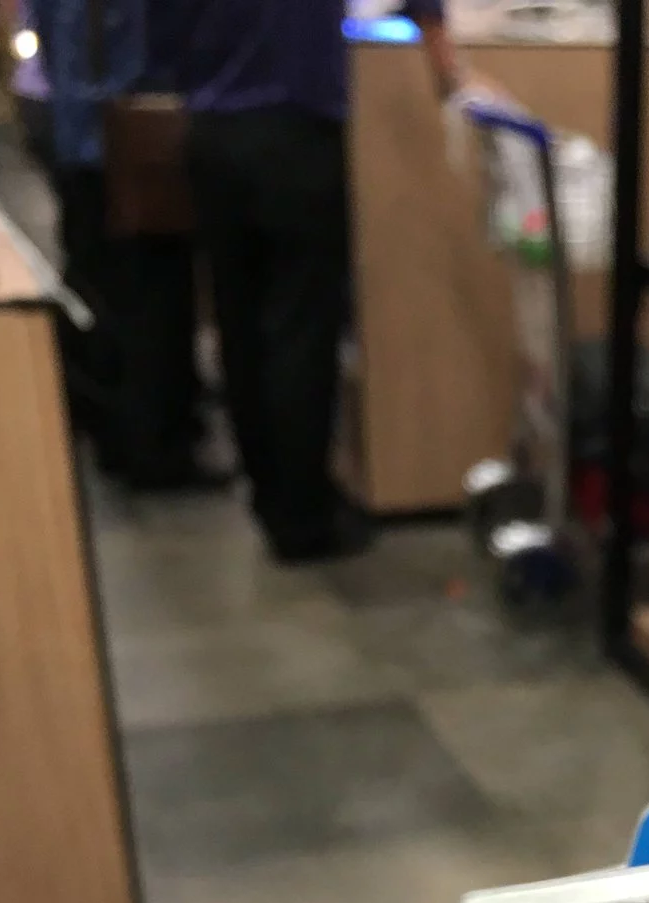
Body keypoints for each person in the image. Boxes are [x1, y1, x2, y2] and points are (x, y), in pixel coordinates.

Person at [174, 0, 459, 563]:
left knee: (240, 325)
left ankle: (269, 499)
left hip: (209, 130)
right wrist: (443, 56)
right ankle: (304, 516)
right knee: (301, 330)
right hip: (295, 128)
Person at [20, 0, 217, 487]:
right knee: (151, 297)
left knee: (96, 284)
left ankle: (110, 425)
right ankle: (154, 445)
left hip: (78, 130)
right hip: (125, 136)